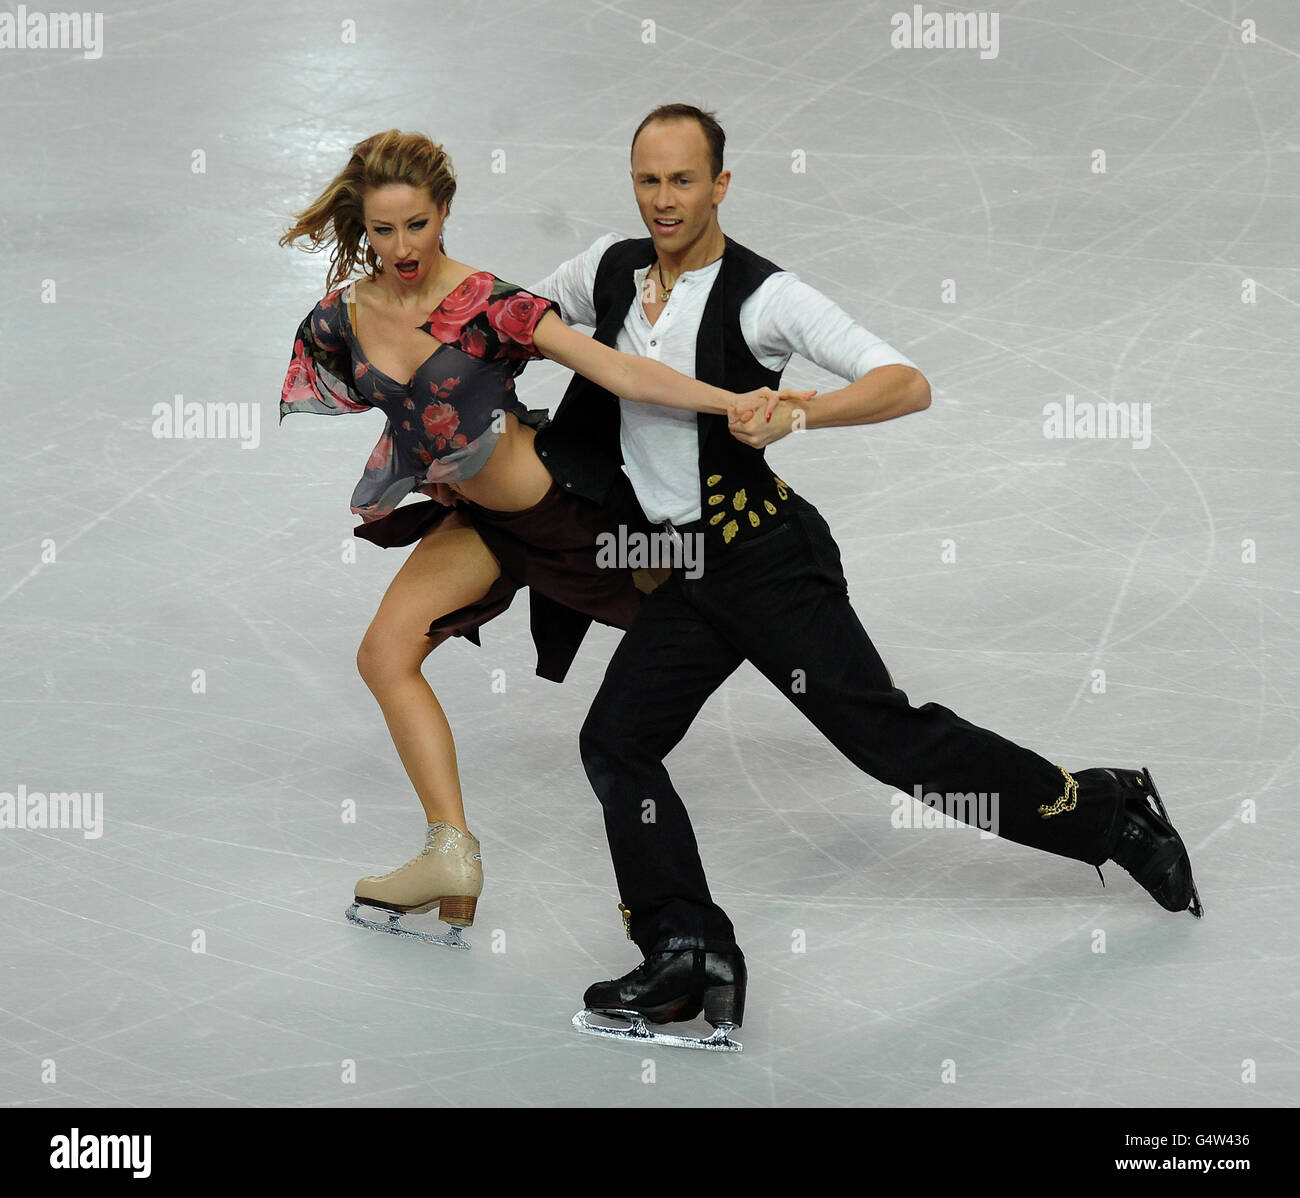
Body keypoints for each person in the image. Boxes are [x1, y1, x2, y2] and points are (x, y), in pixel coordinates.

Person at [530, 104, 1202, 1042]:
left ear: (722, 183)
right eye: (648, 180)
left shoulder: (765, 297)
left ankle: (1106, 813)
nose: (664, 200)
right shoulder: (604, 271)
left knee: (889, 742)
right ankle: (687, 948)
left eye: (684, 180)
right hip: (683, 574)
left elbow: (903, 380)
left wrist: (802, 416)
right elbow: (515, 318)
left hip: (767, 562)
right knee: (617, 742)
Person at [277, 129, 809, 946]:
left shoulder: (493, 303)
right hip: (489, 526)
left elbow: (623, 372)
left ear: (444, 211)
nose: (402, 247)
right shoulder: (345, 316)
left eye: (416, 225)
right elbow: (402, 409)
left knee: (726, 607)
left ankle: (852, 699)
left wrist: (730, 402)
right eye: (383, 230)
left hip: (575, 519)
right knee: (384, 653)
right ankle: (449, 851)